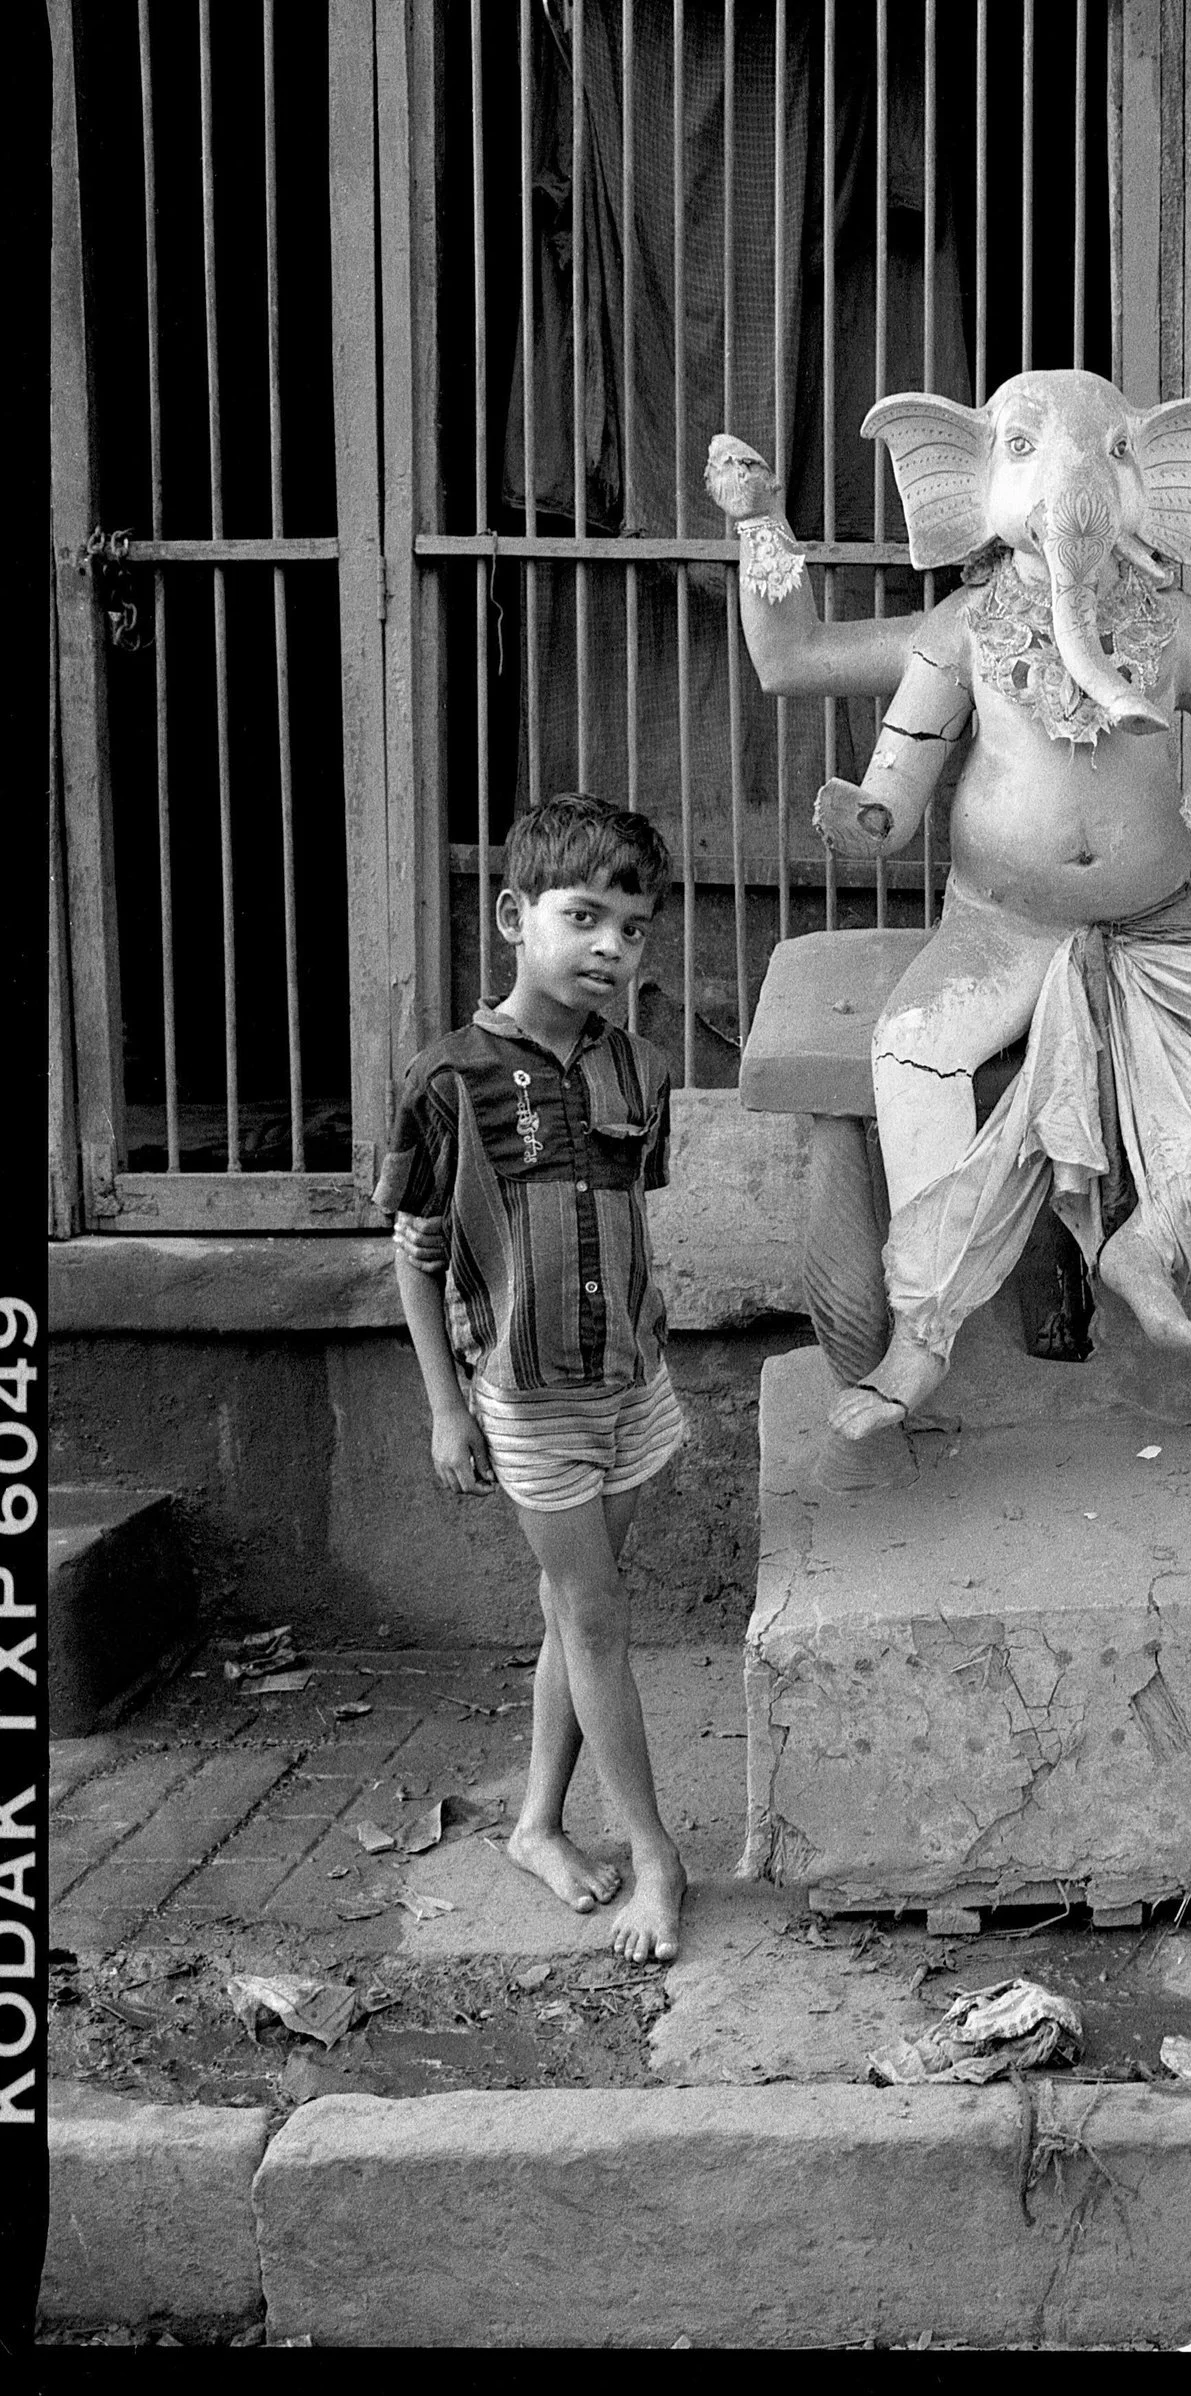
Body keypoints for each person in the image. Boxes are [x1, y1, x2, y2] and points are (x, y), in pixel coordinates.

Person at [708, 382, 1191, 1442]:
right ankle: (924, 1328)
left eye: (1109, 455)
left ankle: (1153, 1237)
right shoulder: (963, 631)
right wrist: (865, 815)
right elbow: (875, 767)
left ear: (1153, 481)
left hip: (1161, 919)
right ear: (968, 480)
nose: (1071, 485)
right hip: (998, 929)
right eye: (1024, 450)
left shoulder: (1173, 628)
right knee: (914, 1047)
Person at [377, 793, 689, 1963]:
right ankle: (655, 1852)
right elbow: (411, 1252)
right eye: (585, 915)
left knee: (579, 1605)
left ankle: (537, 1824)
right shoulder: (447, 1079)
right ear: (516, 916)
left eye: (635, 926)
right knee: (595, 1611)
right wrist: (445, 1407)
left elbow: (626, 1221)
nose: (612, 945)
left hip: (630, 1381)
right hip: (526, 1395)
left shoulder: (642, 1069)